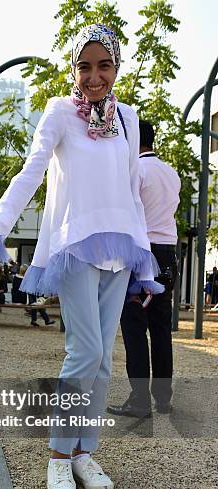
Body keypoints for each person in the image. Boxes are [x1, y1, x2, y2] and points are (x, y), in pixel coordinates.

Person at [0, 24, 163, 489]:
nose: (94, 76)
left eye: (105, 65)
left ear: (116, 67)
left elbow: (131, 186)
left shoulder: (129, 117)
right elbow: (32, 169)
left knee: (103, 361)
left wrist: (145, 260)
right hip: (76, 242)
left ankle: (82, 452)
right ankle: (58, 456)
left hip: (120, 247)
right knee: (84, 352)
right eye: (85, 65)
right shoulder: (58, 112)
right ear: (75, 68)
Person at [107, 119, 181, 417]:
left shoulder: (135, 171)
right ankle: (163, 398)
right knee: (161, 329)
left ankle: (139, 400)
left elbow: (126, 215)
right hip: (169, 251)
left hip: (141, 252)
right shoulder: (171, 172)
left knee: (135, 327)